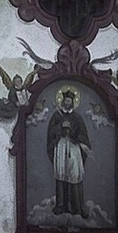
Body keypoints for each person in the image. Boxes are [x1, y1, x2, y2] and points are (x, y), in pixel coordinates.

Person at [49, 83, 90, 217]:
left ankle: (77, 207)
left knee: (74, 176)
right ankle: (61, 205)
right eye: (66, 100)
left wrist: (72, 131)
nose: (67, 103)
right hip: (60, 147)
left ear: (72, 102)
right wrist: (60, 127)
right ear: (63, 101)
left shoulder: (77, 117)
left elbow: (83, 134)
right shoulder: (57, 116)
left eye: (69, 101)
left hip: (73, 148)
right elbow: (51, 132)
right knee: (61, 175)